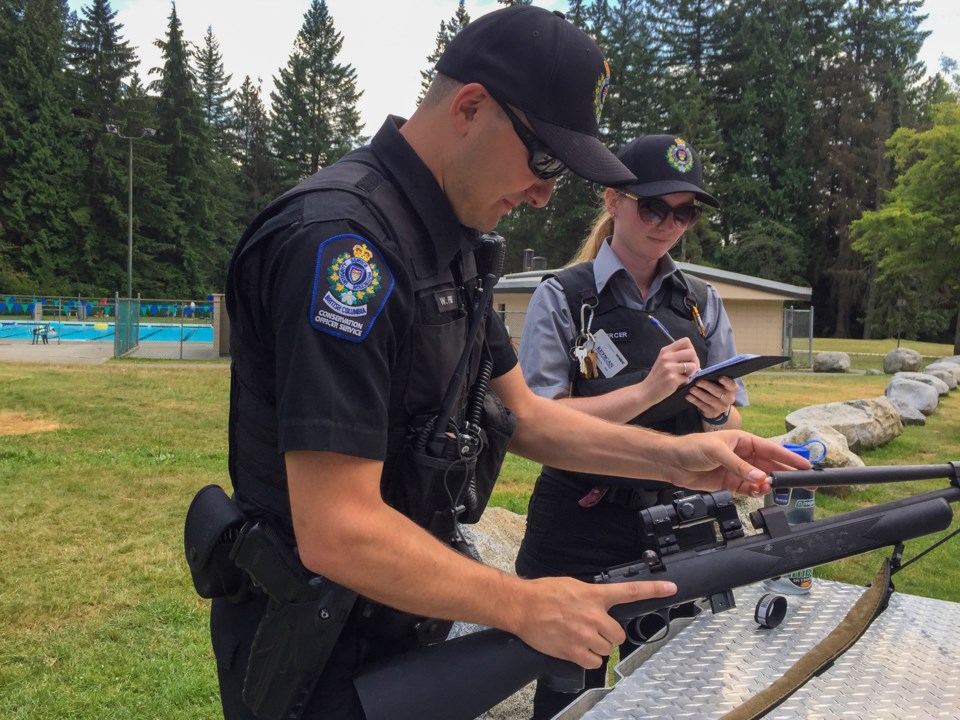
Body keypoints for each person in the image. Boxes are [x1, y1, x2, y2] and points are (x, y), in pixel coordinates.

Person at [205, 8, 807, 720]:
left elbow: (523, 414)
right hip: (315, 648)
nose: (547, 192)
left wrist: (680, 459)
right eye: (545, 159)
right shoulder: (345, 247)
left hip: (404, 613)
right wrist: (524, 603)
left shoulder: (447, 244)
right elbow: (338, 525)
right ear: (470, 107)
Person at [515, 134, 749, 718]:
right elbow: (538, 418)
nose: (668, 223)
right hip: (580, 517)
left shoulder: (702, 301)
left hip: (681, 516)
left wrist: (719, 410)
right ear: (613, 200)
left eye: (685, 211)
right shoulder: (564, 297)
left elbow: (734, 415)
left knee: (679, 689)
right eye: (653, 206)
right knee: (568, 689)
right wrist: (647, 391)